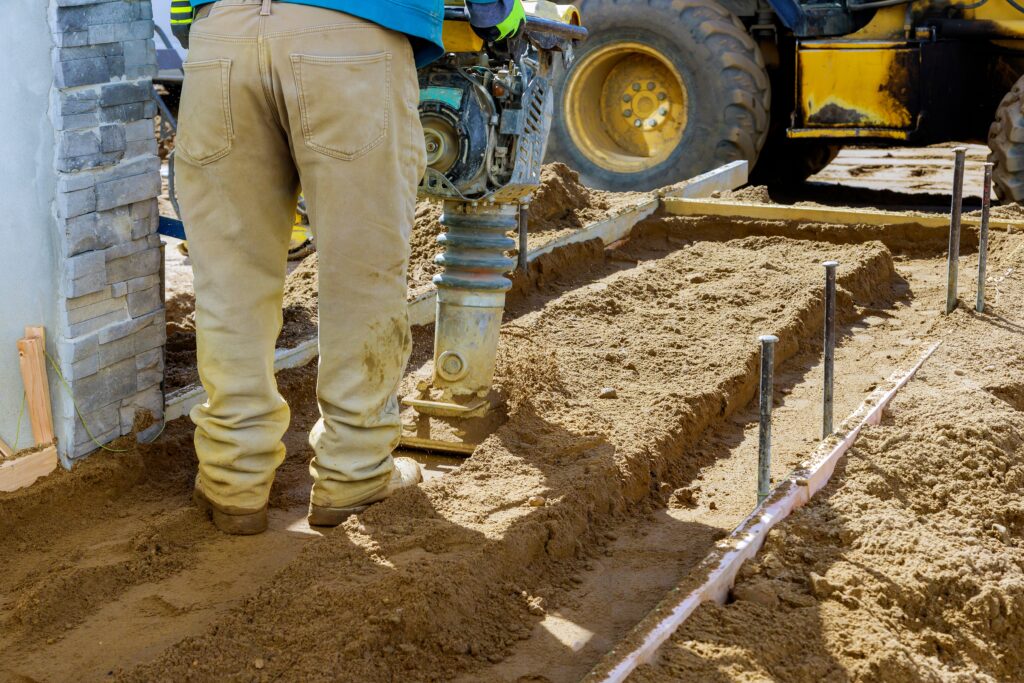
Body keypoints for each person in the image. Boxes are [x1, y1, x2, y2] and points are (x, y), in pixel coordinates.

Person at [170, 0, 525, 535]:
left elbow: (180, 14)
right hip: (349, 39)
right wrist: (501, 15)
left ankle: (232, 479)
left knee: (229, 280)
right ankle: (355, 474)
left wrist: (199, 23)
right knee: (362, 275)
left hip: (220, 41)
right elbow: (492, 14)